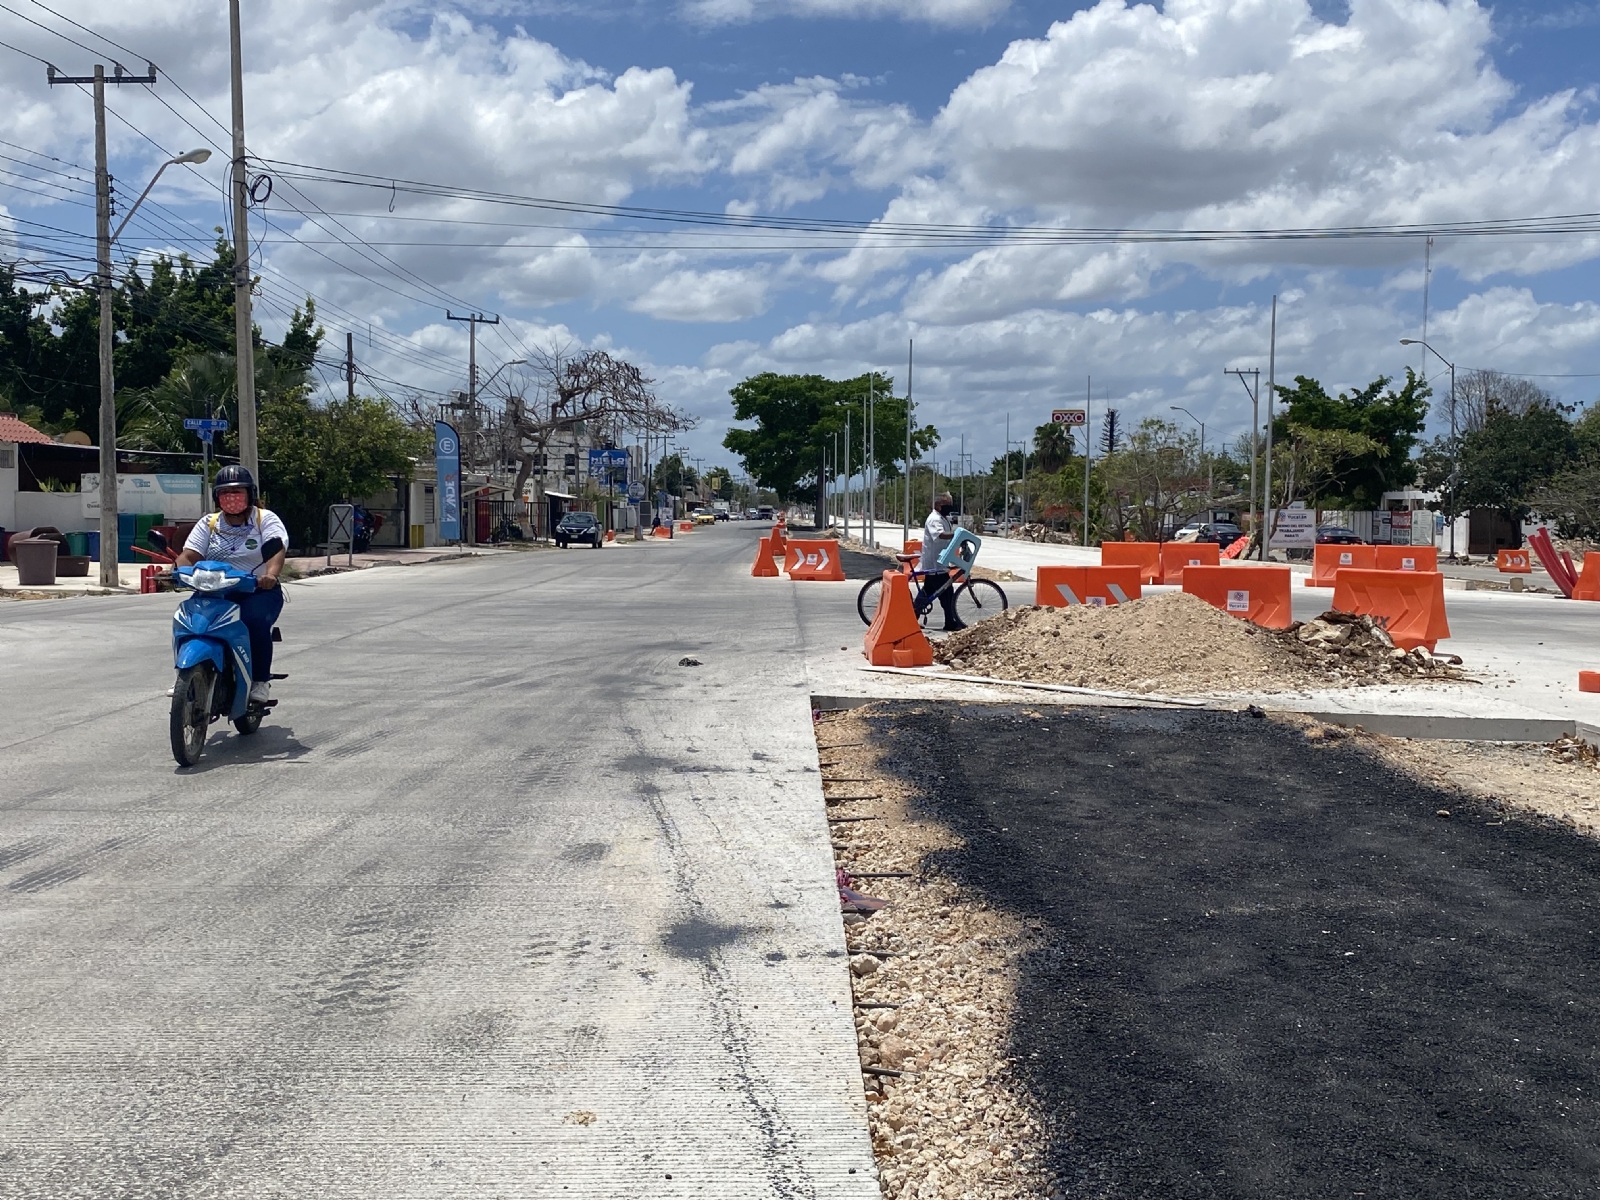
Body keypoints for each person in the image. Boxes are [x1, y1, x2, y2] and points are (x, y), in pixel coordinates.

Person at [172, 465, 289, 704]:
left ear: (250, 494)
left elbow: (276, 551)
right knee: (187, 620)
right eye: (226, 493)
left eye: (238, 492)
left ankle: (259, 680)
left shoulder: (264, 520)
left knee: (253, 622)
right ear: (217, 497)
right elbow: (189, 554)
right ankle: (185, 676)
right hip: (216, 591)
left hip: (257, 590)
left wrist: (271, 576)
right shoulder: (209, 523)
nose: (232, 497)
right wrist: (177, 570)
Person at [915, 492, 965, 632]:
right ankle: (949, 622)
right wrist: (958, 534)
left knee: (929, 591)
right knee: (947, 593)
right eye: (947, 505)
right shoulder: (934, 519)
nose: (949, 507)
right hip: (934, 563)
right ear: (938, 505)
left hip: (940, 562)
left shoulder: (942, 518)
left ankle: (912, 617)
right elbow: (940, 535)